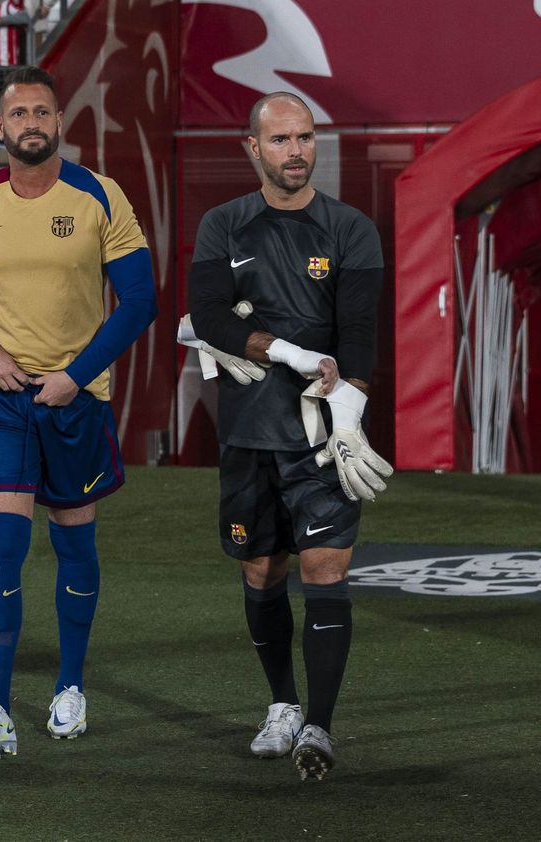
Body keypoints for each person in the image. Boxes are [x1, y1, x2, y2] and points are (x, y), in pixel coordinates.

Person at [0, 64, 156, 759]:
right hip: (0, 400)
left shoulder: (99, 197)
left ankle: (69, 686)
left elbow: (140, 302)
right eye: (18, 113)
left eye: (42, 112)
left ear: (60, 123)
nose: (31, 123)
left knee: (73, 544)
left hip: (75, 400)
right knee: (2, 546)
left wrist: (76, 375)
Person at [180, 91, 390, 781]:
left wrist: (352, 410)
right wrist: (283, 350)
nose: (297, 151)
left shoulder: (351, 229)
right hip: (248, 433)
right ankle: (282, 705)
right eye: (281, 140)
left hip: (324, 437)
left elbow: (359, 330)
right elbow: (206, 312)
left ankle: (320, 728)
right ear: (253, 148)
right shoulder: (223, 225)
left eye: (305, 138)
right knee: (261, 571)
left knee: (324, 569)